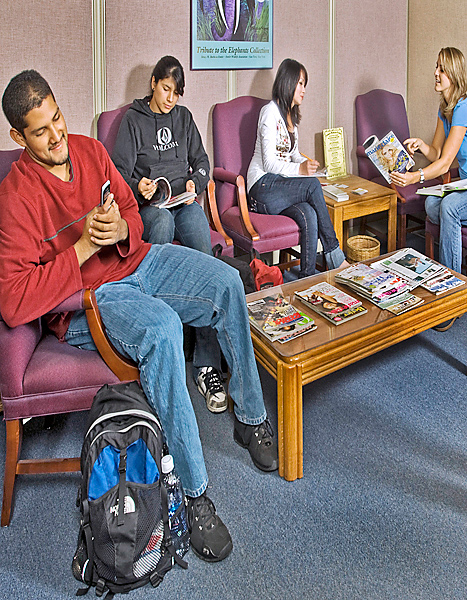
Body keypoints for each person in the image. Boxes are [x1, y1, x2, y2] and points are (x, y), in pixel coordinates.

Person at [0, 70, 279, 563]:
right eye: (41, 130)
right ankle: (194, 496)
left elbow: (131, 211)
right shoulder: (15, 197)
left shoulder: (88, 150)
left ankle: (250, 416)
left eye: (58, 118)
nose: (57, 134)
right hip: (92, 298)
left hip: (139, 260)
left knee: (227, 281)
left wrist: (120, 228)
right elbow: (14, 300)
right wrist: (85, 244)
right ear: (18, 136)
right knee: (163, 330)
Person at [112, 56, 226, 414]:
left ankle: (206, 362)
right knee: (159, 227)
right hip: (151, 206)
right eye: (165, 90)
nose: (169, 99)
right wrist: (138, 185)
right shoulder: (133, 120)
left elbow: (203, 162)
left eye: (175, 94)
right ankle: (163, 349)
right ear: (153, 82)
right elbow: (117, 173)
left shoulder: (184, 118)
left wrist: (197, 181)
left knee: (202, 246)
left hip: (184, 201)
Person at [246, 58, 348, 278]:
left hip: (279, 190)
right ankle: (334, 254)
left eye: (304, 84)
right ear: (288, 82)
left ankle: (307, 279)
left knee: (309, 213)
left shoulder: (291, 117)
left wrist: (310, 168)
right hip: (261, 187)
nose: (303, 90)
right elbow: (269, 163)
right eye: (300, 83)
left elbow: (293, 156)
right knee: (310, 186)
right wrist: (302, 172)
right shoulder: (269, 112)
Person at [390, 47, 467, 332]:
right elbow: (437, 154)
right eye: (436, 67)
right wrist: (422, 145)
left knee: (447, 207)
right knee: (432, 205)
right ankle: (440, 274)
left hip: (464, 188)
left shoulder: (464, 107)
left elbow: (447, 162)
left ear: (454, 75)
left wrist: (415, 178)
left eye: (442, 69)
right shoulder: (445, 108)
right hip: (464, 185)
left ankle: (452, 295)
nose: (435, 73)